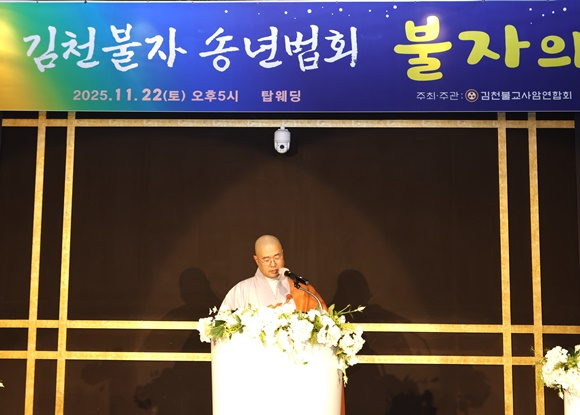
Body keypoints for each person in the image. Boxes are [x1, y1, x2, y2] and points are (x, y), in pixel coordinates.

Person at [220, 235, 327, 312]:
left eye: (277, 257)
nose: (273, 264)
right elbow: (224, 326)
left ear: (282, 254)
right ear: (256, 260)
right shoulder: (241, 290)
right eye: (266, 260)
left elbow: (321, 320)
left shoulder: (300, 287)